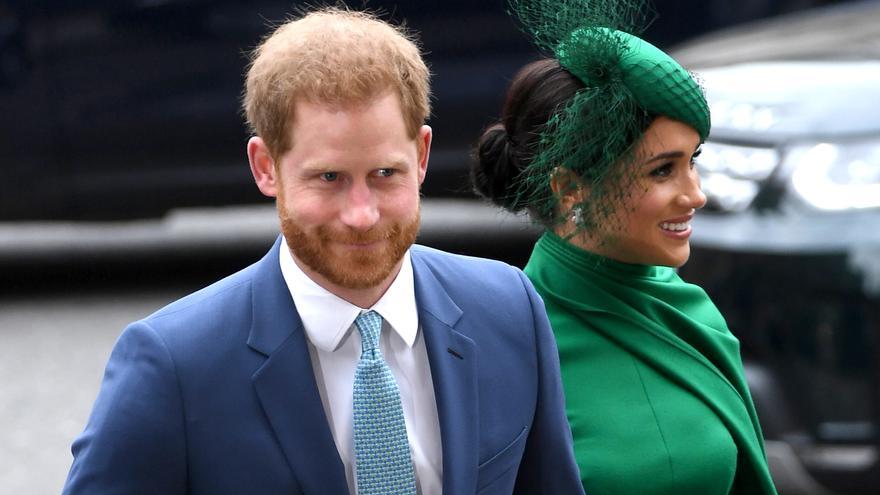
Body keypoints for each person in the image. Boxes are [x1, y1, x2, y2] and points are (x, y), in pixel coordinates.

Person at [63, 7, 584, 495]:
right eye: (328, 178)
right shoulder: (172, 365)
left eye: (385, 174)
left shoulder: (508, 309)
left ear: (421, 155)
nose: (361, 213)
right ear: (265, 166)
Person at [471, 0, 778, 494]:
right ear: (570, 186)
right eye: (662, 170)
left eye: (692, 160)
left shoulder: (688, 307)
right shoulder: (512, 341)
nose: (695, 194)